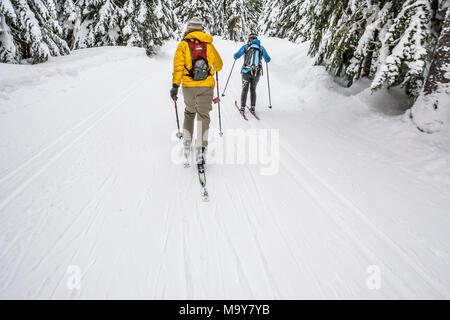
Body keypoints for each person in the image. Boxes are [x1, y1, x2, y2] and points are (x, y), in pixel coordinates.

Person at [170, 17, 223, 165]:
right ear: (201, 29)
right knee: (203, 116)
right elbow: (219, 65)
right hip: (206, 86)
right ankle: (200, 150)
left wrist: (175, 86)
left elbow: (178, 68)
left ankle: (187, 142)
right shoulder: (209, 45)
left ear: (188, 29)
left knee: (190, 112)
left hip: (188, 86)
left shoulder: (183, 45)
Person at [233, 33, 271, 114]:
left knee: (244, 90)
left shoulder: (246, 47)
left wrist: (235, 56)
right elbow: (268, 59)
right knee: (253, 90)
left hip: (246, 72)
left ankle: (242, 108)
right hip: (256, 73)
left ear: (249, 39)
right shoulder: (261, 48)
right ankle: (253, 107)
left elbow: (236, 55)